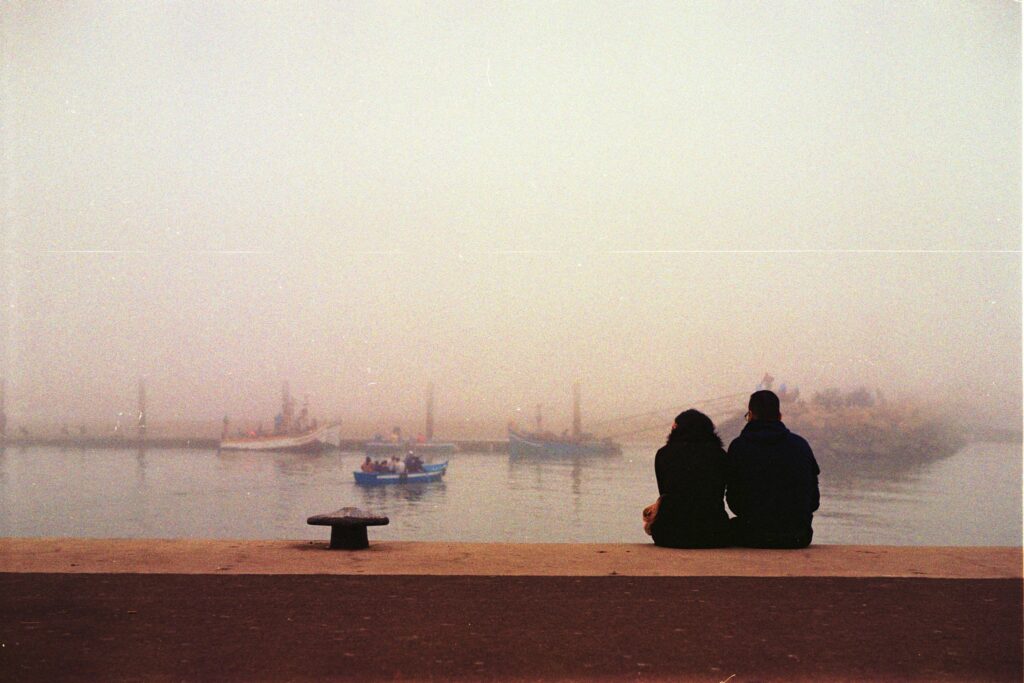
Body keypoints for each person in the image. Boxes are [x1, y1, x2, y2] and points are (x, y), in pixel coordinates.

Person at [725, 390, 820, 548]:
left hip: (751, 535)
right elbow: (814, 501)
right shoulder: (800, 445)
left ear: (750, 415)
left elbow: (734, 501)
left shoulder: (738, 446)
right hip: (796, 536)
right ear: (779, 416)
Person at [648, 409, 731, 548]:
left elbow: (664, 493)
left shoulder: (663, 454)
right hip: (713, 533)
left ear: (676, 428)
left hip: (669, 534)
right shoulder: (720, 455)